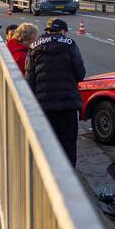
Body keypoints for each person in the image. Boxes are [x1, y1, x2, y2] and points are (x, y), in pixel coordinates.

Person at [25, 18, 86, 166]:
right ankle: (69, 174)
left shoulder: (34, 47)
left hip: (43, 105)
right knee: (68, 143)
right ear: (63, 31)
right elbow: (80, 74)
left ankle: (49, 174)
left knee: (46, 143)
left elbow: (29, 79)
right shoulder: (70, 45)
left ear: (47, 31)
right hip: (67, 104)